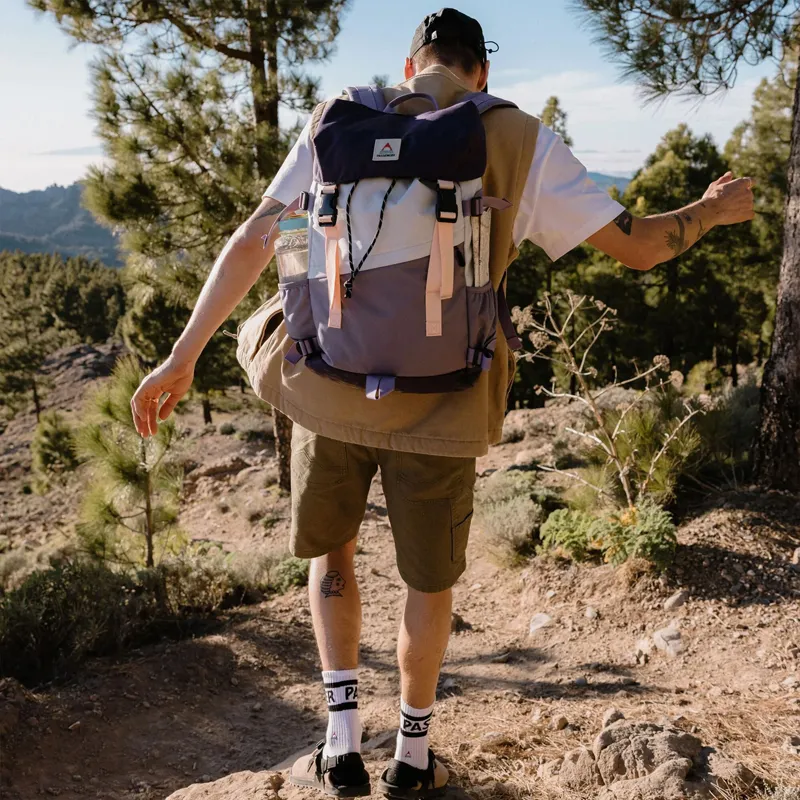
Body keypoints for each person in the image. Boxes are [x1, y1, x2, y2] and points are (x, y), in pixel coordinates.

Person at [130, 7, 755, 798]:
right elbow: (638, 247)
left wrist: (181, 357)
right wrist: (712, 208)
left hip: (329, 383)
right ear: (480, 72)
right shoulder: (518, 137)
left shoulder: (338, 118)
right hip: (443, 398)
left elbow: (257, 239)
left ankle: (341, 741)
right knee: (429, 583)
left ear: (408, 68)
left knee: (333, 556)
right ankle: (414, 755)